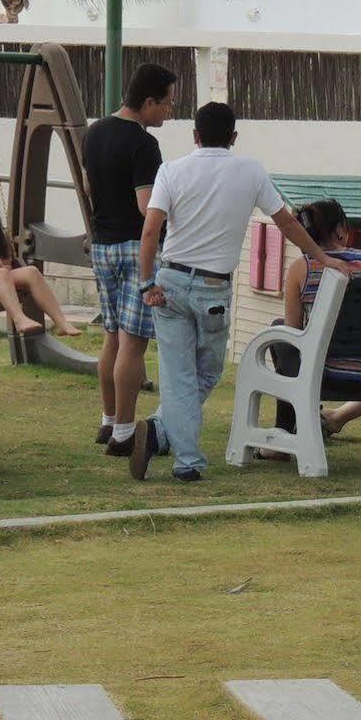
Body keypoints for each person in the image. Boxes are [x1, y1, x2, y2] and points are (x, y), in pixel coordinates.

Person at [132, 101, 334, 481]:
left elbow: (149, 230)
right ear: (234, 137)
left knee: (179, 376)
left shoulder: (170, 171)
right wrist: (323, 257)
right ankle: (185, 458)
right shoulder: (251, 171)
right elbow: (287, 223)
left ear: (195, 135)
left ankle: (162, 431)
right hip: (213, 287)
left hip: (170, 281)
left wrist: (147, 283)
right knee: (204, 374)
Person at [82, 61, 176, 461]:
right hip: (133, 248)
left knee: (112, 336)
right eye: (167, 103)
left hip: (101, 245)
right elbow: (145, 206)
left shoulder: (94, 131)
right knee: (133, 346)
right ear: (149, 101)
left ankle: (107, 421)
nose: (169, 111)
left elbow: (89, 188)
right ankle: (124, 432)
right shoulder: (143, 143)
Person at [266, 199, 361, 449]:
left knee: (279, 333)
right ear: (340, 229)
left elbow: (293, 331)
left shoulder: (301, 269)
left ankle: (286, 432)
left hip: (324, 374)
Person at [0, 181, 84, 338]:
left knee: (31, 271)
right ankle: (19, 320)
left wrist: (1, 265)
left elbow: (6, 262)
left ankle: (61, 323)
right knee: (1, 274)